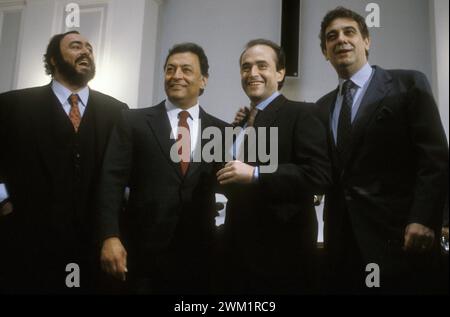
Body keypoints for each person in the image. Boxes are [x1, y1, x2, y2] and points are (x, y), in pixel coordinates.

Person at [315, 7, 449, 294]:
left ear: (366, 41)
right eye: (331, 36)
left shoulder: (408, 84)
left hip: (401, 238)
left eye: (349, 32)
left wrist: (423, 218)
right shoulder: (322, 107)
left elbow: (434, 158)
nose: (341, 39)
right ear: (325, 51)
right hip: (344, 245)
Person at [0, 31, 128, 293]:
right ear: (54, 60)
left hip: (92, 249)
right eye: (75, 46)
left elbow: (122, 176)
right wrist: (3, 202)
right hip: (25, 244)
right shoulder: (12, 105)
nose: (86, 52)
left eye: (90, 48)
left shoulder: (117, 111)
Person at [98, 42, 227, 294]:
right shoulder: (132, 121)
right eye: (170, 69)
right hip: (142, 256)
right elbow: (110, 182)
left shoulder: (221, 131)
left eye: (186, 70)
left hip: (201, 255)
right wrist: (108, 236)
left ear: (203, 81)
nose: (176, 75)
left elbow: (230, 185)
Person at [218, 39, 331, 294]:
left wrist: (256, 174)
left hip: (283, 258)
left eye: (262, 66)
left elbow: (319, 175)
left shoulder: (303, 113)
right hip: (236, 255)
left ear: (280, 73)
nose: (253, 73)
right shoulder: (241, 123)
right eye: (246, 67)